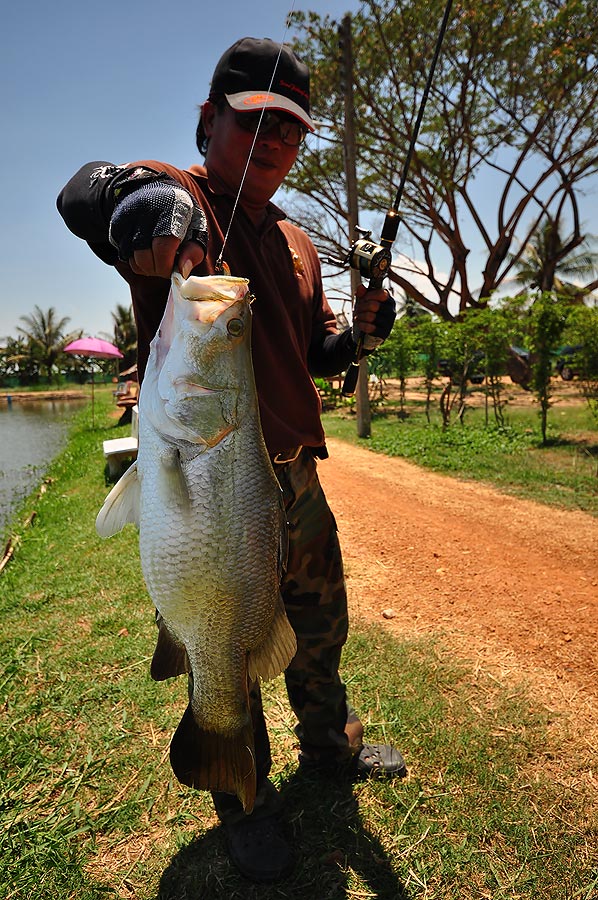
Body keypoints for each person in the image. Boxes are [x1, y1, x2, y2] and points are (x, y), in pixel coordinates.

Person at [57, 36, 405, 883]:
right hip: (214, 477)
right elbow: (86, 195)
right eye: (255, 125)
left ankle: (330, 746)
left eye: (290, 131)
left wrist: (354, 337)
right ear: (210, 121)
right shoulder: (187, 201)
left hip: (295, 475)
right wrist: (139, 206)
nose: (274, 146)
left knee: (318, 630)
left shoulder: (295, 242)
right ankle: (242, 801)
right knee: (227, 641)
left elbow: (310, 351)